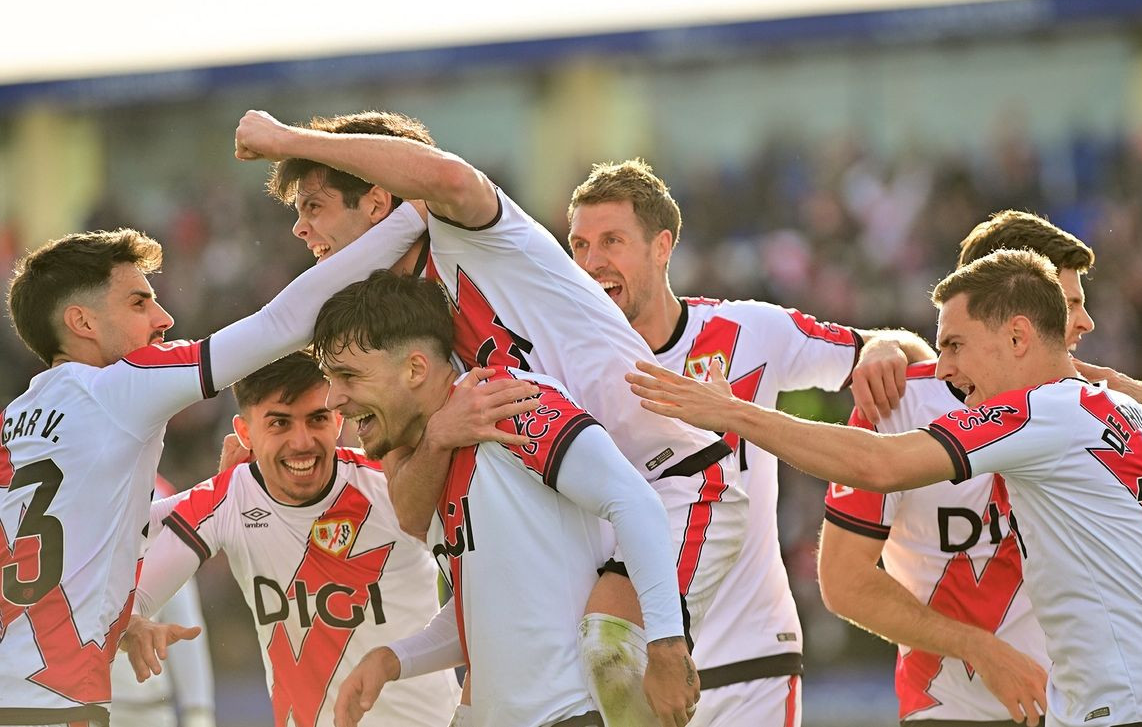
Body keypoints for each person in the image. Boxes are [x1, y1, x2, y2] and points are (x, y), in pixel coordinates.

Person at [233, 109, 795, 723]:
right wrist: (438, 437)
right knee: (501, 676)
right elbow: (413, 513)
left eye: (313, 206)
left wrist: (287, 139)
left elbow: (446, 177)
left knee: (611, 654)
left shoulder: (471, 232)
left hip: (676, 483)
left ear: (376, 200)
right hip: (588, 498)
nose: (300, 227)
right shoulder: (401, 341)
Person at [628, 248, 1142, 727]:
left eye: (956, 345)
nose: (943, 369)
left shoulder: (1037, 413)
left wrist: (735, 414)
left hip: (1118, 708)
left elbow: (878, 464)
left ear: (1018, 336)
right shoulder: (1134, 416)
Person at [0, 206, 424, 725]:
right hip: (58, 705)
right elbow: (283, 322)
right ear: (82, 322)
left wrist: (117, 615)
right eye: (139, 302)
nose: (163, 318)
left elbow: (65, 542)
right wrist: (417, 211)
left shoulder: (12, 425)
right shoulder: (118, 386)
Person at [565, 158, 933, 726]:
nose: (592, 263)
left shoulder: (748, 332)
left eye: (612, 241)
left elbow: (898, 350)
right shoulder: (564, 365)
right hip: (627, 663)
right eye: (580, 245)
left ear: (662, 247)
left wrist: (885, 346)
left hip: (749, 661)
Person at [289, 271, 687, 727]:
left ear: (415, 369)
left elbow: (636, 504)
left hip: (571, 715)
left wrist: (666, 645)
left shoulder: (509, 402)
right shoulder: (431, 454)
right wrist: (394, 659)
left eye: (348, 376)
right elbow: (488, 613)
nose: (334, 399)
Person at [819, 209, 1099, 726]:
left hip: (1084, 708)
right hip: (947, 712)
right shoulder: (896, 402)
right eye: (1068, 304)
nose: (1085, 322)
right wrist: (980, 649)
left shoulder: (1095, 408)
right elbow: (843, 581)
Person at [125, 352, 487, 727]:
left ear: (338, 419)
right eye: (279, 423)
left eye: (317, 419)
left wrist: (397, 660)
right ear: (245, 433)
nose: (302, 442)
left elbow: (482, 606)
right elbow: (126, 575)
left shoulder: (392, 485)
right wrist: (129, 624)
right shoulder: (228, 497)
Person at [109, 476, 217, 727]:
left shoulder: (158, 492)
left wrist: (198, 709)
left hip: (140, 702)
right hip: (73, 697)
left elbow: (181, 610)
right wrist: (197, 708)